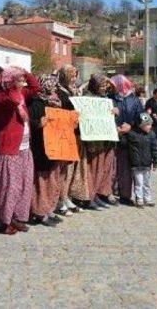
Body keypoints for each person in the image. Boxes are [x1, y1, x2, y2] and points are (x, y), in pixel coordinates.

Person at [0, 67, 40, 235]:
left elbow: (35, 88)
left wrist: (25, 72)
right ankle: (3, 220)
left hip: (24, 148)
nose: (22, 83)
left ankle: (18, 217)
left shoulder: (22, 94)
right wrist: (12, 85)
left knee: (24, 185)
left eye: (21, 80)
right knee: (9, 187)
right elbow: (11, 100)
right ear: (9, 82)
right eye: (17, 80)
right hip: (9, 148)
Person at [29, 75, 70, 227]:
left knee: (53, 179)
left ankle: (49, 209)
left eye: (54, 86)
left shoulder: (56, 102)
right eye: (50, 86)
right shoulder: (36, 102)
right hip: (41, 147)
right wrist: (38, 123)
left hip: (55, 147)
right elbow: (31, 122)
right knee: (42, 181)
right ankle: (40, 211)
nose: (53, 89)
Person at [55, 65, 88, 212]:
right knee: (63, 169)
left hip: (75, 134)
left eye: (75, 75)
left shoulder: (74, 91)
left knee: (72, 167)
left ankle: (67, 195)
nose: (74, 78)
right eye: (71, 75)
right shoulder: (59, 92)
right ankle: (59, 198)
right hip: (64, 134)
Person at [84, 73, 117, 210]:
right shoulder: (88, 97)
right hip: (93, 139)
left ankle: (96, 194)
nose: (105, 88)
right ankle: (89, 197)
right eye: (102, 85)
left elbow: (114, 90)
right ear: (95, 85)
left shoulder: (105, 98)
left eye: (105, 85)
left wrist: (113, 111)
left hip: (104, 139)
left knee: (100, 169)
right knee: (92, 169)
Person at [110, 74, 143, 205]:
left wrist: (131, 126)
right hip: (112, 139)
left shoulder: (135, 101)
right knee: (112, 167)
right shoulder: (110, 98)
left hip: (128, 139)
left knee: (125, 169)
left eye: (114, 85)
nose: (112, 87)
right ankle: (109, 193)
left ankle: (125, 195)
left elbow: (144, 120)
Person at [123, 112, 157, 209]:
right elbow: (123, 141)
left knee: (146, 183)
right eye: (147, 124)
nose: (149, 126)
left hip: (147, 163)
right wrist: (124, 130)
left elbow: (155, 149)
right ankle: (139, 199)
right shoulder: (132, 134)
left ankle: (147, 198)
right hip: (136, 164)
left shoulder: (151, 135)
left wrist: (155, 161)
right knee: (139, 182)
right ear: (140, 125)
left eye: (150, 124)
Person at [145, 88, 157, 153]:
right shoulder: (149, 102)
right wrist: (152, 115)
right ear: (154, 94)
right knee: (152, 136)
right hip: (152, 122)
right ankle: (152, 149)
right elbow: (147, 112)